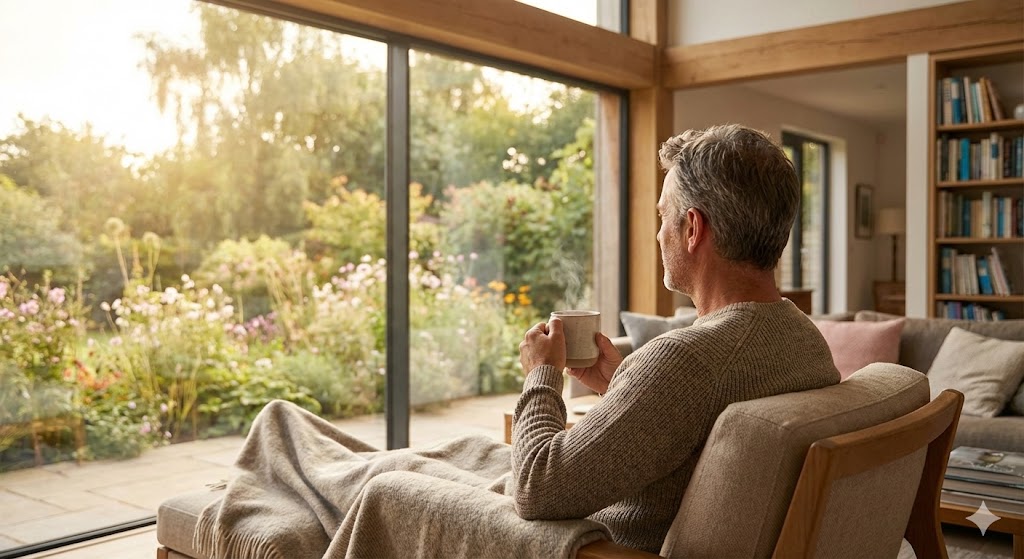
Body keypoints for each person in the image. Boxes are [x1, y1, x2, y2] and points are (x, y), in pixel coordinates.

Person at [513, 124, 841, 553]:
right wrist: (624, 385)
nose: (657, 233)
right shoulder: (802, 335)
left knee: (401, 481)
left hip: (604, 547)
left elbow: (536, 487)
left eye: (662, 216)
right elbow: (696, 422)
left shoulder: (686, 360)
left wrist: (541, 375)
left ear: (692, 229)